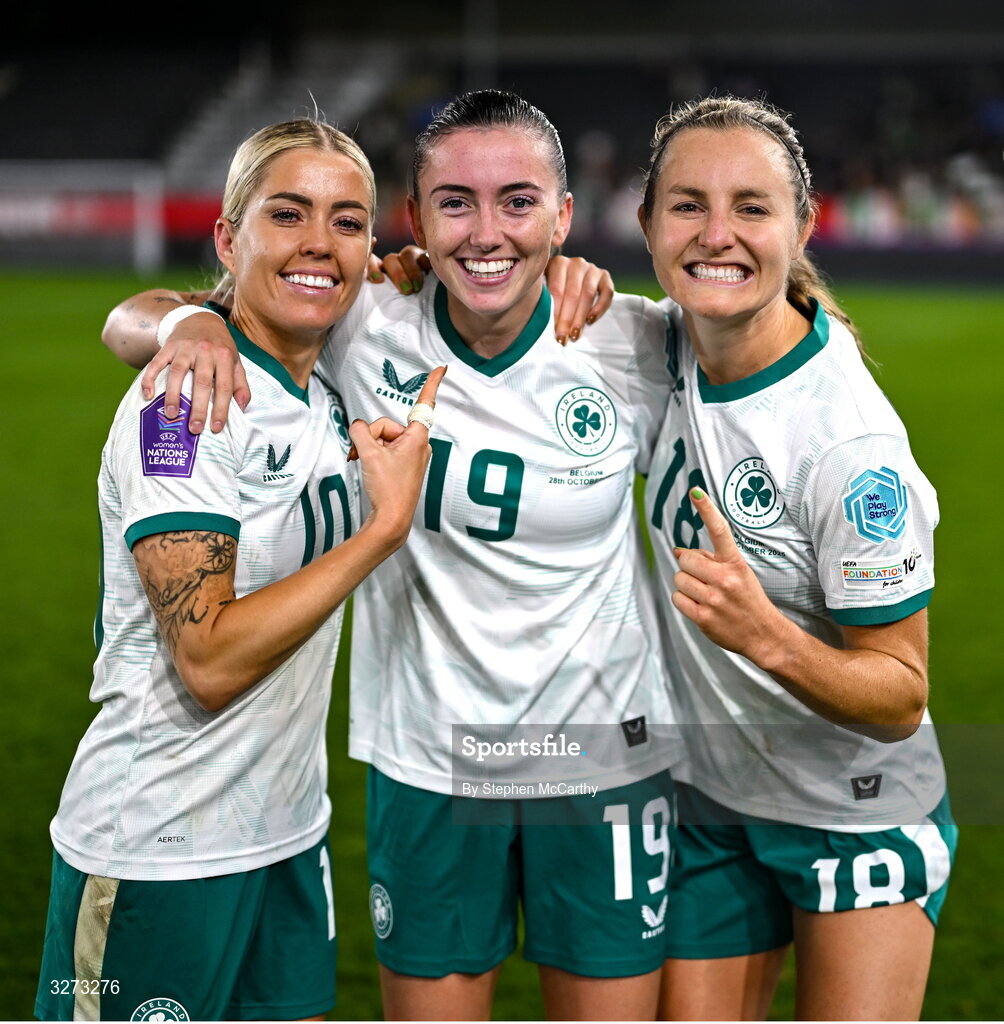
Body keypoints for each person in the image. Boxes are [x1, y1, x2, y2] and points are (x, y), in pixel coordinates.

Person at [98, 91, 682, 1022]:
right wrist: (188, 325)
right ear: (415, 220)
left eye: (519, 201)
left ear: (565, 217)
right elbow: (134, 319)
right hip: (430, 761)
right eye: (456, 202)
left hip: (601, 761)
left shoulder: (634, 345)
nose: (486, 230)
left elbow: (773, 339)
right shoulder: (362, 315)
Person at [36, 118, 444, 1023]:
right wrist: (379, 530)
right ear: (229, 236)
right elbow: (209, 659)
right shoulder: (185, 403)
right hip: (157, 849)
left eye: (347, 223)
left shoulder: (325, 369)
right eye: (288, 215)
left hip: (287, 838)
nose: (318, 245)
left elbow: (148, 310)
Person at [633, 96, 957, 1020]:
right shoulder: (659, 345)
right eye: (688, 204)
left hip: (857, 807)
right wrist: (198, 316)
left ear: (802, 225)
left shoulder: (848, 448)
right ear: (648, 221)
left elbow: (899, 694)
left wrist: (764, 635)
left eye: (752, 207)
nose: (716, 234)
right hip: (713, 798)